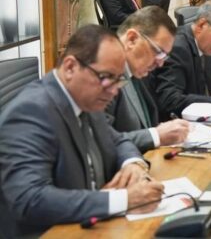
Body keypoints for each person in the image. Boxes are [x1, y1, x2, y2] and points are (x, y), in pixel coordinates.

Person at [0, 25, 164, 235]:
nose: (114, 91)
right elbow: (30, 199)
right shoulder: (30, 112)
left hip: (91, 225)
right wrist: (124, 199)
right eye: (106, 77)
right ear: (70, 67)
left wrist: (133, 164)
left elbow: (117, 140)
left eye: (118, 79)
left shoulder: (86, 99)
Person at [106, 6, 190, 152]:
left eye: (164, 56)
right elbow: (102, 142)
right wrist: (156, 135)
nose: (160, 63)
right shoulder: (104, 74)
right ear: (132, 39)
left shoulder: (138, 71)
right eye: (158, 52)